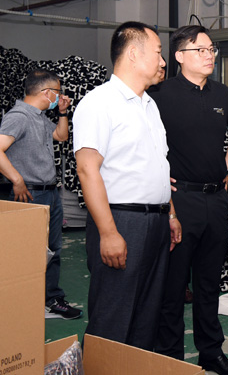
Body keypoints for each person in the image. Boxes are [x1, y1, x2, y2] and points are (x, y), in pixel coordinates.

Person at [73, 21, 181, 350]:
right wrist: (108, 233)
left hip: (156, 222)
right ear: (133, 53)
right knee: (113, 317)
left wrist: (170, 214)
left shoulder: (149, 105)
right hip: (122, 221)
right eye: (158, 53)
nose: (163, 62)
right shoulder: (99, 102)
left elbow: (158, 165)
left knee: (146, 317)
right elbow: (87, 169)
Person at [151, 25, 228, 375]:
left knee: (209, 283)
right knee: (173, 286)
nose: (209, 56)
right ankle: (170, 357)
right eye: (200, 50)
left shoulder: (222, 93)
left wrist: (226, 165)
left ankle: (211, 353)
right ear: (179, 56)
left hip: (215, 199)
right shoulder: (160, 94)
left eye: (211, 50)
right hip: (179, 200)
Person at [0, 69, 82, 320]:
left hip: (49, 192)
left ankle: (50, 300)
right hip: (31, 193)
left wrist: (62, 112)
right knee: (30, 251)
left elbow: (61, 136)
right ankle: (28, 302)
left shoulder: (38, 116)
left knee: (51, 250)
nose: (59, 96)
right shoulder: (19, 116)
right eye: (58, 92)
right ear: (47, 92)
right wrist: (17, 180)